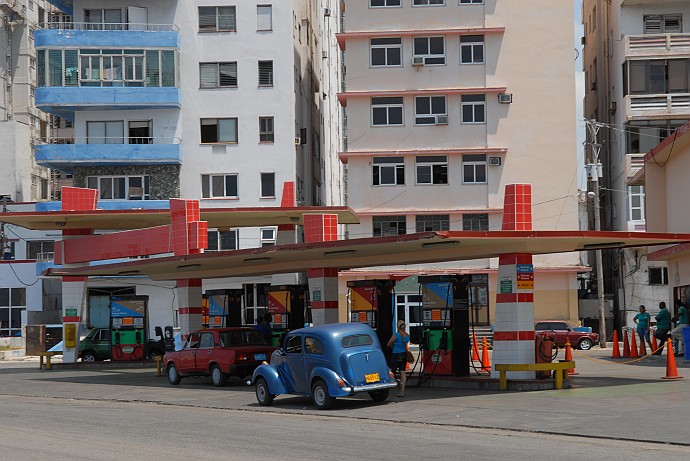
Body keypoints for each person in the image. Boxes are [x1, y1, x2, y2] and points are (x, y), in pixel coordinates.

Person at [387, 320, 410, 398]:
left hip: (396, 355)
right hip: (404, 354)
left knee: (391, 371)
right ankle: (402, 391)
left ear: (398, 327)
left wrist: (393, 346)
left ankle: (394, 383)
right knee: (402, 371)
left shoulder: (396, 335)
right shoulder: (407, 335)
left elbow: (389, 343)